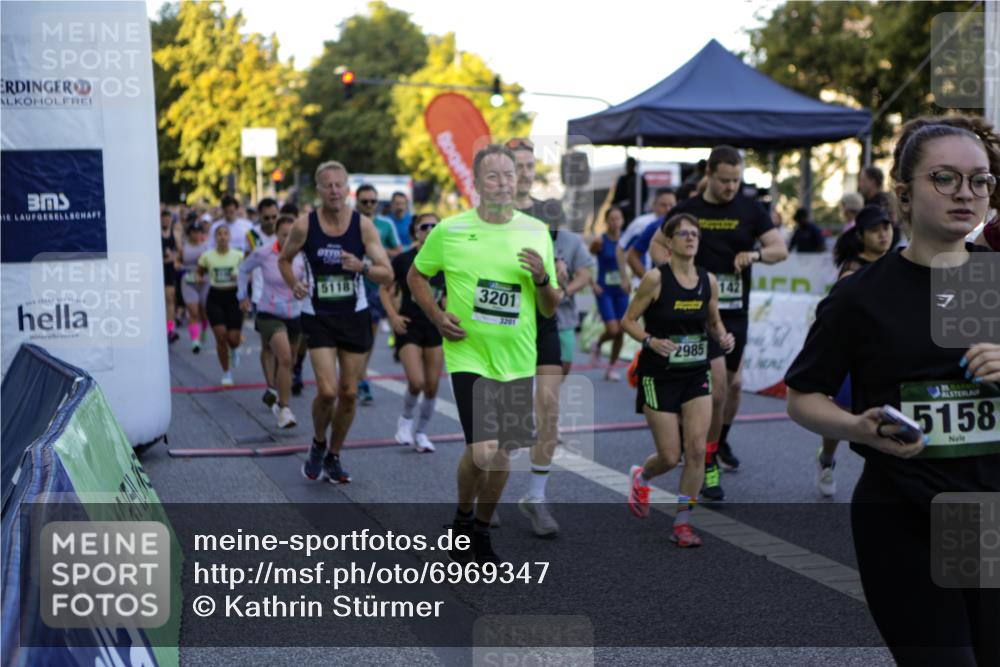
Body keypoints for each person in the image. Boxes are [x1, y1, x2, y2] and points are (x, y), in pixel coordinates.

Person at [785, 116, 1000, 665]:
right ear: (903, 194)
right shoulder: (862, 296)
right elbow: (803, 395)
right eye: (945, 178)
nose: (966, 194)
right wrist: (857, 428)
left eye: (979, 180)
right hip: (904, 518)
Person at [408, 144, 560, 562]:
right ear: (476, 183)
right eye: (492, 176)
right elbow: (415, 275)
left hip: (516, 357)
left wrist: (544, 278)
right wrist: (438, 316)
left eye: (509, 175)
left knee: (502, 450)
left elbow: (549, 304)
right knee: (484, 449)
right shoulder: (450, 231)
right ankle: (463, 517)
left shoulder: (535, 230)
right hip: (468, 353)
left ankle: (477, 530)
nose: (503, 182)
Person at [649, 145, 789, 501]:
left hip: (734, 309)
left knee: (727, 386)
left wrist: (755, 253)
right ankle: (706, 457)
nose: (730, 188)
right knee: (719, 384)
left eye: (736, 181)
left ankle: (711, 446)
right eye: (724, 180)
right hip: (695, 310)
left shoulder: (750, 208)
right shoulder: (688, 209)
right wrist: (676, 275)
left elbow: (779, 249)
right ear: (709, 174)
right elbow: (656, 243)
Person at [622, 213, 734, 547]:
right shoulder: (656, 279)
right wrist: (650, 341)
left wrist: (724, 337)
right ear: (668, 242)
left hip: (695, 373)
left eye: (694, 234)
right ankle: (642, 476)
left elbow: (713, 322)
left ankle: (682, 523)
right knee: (670, 456)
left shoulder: (708, 281)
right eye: (682, 234)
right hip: (659, 375)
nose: (689, 238)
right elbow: (629, 320)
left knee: (696, 449)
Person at [280, 161, 393, 485]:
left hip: (354, 315)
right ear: (319, 190)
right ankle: (318, 443)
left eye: (339, 185)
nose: (334, 191)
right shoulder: (304, 225)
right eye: (327, 185)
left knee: (349, 393)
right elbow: (284, 260)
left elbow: (387, 273)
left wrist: (363, 267)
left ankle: (334, 455)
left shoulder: (363, 226)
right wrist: (294, 284)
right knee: (328, 391)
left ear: (347, 189)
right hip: (318, 317)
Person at [509, 137, 593, 536]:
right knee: (498, 430)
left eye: (529, 165)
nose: (524, 172)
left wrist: (556, 276)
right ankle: (478, 503)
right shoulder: (486, 217)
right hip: (501, 328)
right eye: (516, 166)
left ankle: (536, 496)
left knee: (549, 408)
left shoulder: (547, 217)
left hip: (544, 320)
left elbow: (560, 274)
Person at [815, 205, 894, 497]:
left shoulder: (896, 262)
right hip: (855, 353)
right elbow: (835, 317)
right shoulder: (852, 272)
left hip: (887, 353)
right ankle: (826, 459)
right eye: (876, 229)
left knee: (885, 412)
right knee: (842, 413)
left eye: (886, 227)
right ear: (861, 235)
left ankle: (881, 478)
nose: (883, 234)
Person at [383, 213, 444, 453]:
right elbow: (384, 290)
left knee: (431, 386)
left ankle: (422, 433)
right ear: (415, 232)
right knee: (416, 381)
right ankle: (406, 421)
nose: (429, 230)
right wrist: (393, 316)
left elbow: (448, 296)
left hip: (434, 326)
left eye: (434, 226)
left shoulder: (446, 261)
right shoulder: (403, 260)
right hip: (409, 325)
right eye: (424, 226)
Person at [237, 214, 305, 429]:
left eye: (292, 235)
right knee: (284, 357)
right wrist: (242, 295)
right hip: (269, 312)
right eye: (284, 235)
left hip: (295, 313)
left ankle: (276, 395)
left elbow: (310, 279)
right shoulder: (264, 253)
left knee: (290, 361)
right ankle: (284, 408)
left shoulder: (303, 254)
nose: (289, 240)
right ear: (276, 234)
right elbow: (243, 269)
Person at [355, 184, 402, 405]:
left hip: (375, 287)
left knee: (368, 336)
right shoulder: (349, 222)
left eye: (373, 201)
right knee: (351, 335)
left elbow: (397, 250)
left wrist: (378, 252)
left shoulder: (385, 224)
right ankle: (353, 375)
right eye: (364, 202)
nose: (369, 206)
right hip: (352, 286)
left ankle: (361, 378)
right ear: (357, 202)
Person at [197, 225, 244, 386]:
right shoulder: (207, 256)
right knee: (221, 336)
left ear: (230, 237)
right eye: (219, 234)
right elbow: (199, 273)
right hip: (215, 297)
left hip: (233, 297)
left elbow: (248, 274)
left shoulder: (238, 255)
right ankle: (226, 372)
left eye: (225, 234)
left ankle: (235, 348)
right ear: (215, 237)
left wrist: (238, 275)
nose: (222, 237)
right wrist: (199, 278)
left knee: (233, 339)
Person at [589, 206, 632, 380]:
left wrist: (631, 281)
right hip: (604, 290)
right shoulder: (600, 241)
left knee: (621, 331)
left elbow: (635, 260)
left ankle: (611, 368)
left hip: (621, 291)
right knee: (613, 330)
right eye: (612, 219)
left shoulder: (626, 241)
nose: (615, 222)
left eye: (618, 218)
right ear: (606, 221)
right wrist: (592, 284)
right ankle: (598, 344)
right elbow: (585, 262)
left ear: (622, 220)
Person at [246, 198, 280, 407]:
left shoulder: (286, 231)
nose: (270, 221)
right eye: (266, 217)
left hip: (286, 295)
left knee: (285, 348)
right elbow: (247, 262)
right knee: (268, 343)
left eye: (274, 217)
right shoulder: (252, 235)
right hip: (261, 295)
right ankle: (271, 386)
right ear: (259, 216)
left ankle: (279, 379)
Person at [620, 188, 676, 281]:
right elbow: (622, 248)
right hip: (651, 280)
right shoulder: (642, 223)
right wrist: (647, 280)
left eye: (671, 205)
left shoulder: (684, 224)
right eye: (663, 205)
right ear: (654, 206)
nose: (668, 209)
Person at [179, 216, 211, 353]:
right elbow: (178, 261)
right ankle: (195, 341)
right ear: (189, 233)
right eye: (194, 232)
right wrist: (179, 266)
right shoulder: (184, 247)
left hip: (204, 281)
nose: (197, 234)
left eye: (199, 232)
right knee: (193, 312)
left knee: (204, 311)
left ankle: (204, 327)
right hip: (189, 281)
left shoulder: (207, 246)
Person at [161, 209, 182, 344]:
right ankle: (161, 327)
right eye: (163, 218)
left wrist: (174, 258)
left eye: (168, 218)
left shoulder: (175, 234)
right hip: (159, 269)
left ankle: (170, 329)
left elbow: (180, 252)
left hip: (169, 270)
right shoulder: (155, 233)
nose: (166, 221)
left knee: (170, 299)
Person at [611, 156, 649, 228]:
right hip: (624, 211)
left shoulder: (639, 179)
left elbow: (644, 196)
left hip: (636, 210)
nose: (629, 167)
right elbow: (617, 195)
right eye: (628, 165)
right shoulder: (623, 179)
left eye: (631, 165)